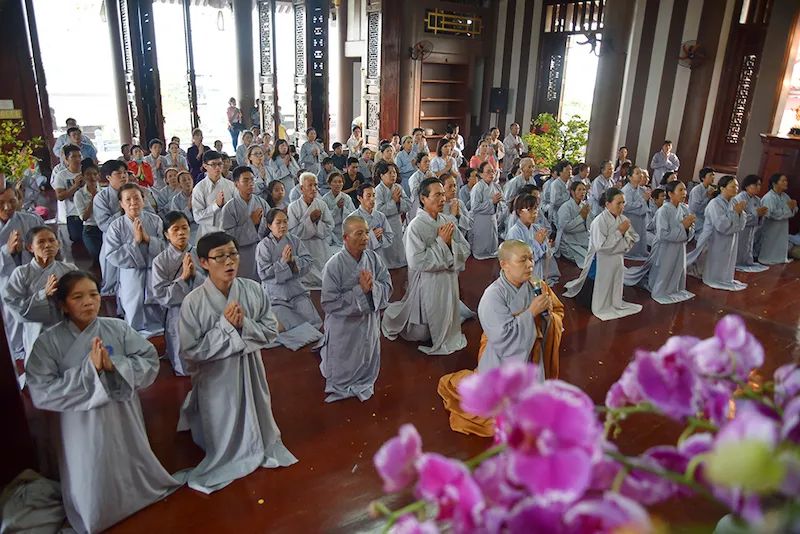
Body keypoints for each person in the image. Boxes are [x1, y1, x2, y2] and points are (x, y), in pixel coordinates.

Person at [26, 271, 182, 532]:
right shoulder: (47, 343)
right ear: (63, 305)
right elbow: (41, 390)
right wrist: (90, 373)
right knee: (89, 466)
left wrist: (115, 367)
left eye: (94, 294)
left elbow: (149, 360)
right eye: (78, 297)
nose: (89, 302)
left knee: (125, 454)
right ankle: (95, 511)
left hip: (122, 413)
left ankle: (135, 496)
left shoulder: (117, 328)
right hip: (78, 423)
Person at [177, 232, 297, 494]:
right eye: (220, 257)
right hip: (216, 378)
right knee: (223, 423)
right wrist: (226, 329)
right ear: (204, 262)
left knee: (257, 413)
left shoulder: (253, 289)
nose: (229, 261)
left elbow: (270, 330)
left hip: (251, 369)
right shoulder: (193, 302)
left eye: (233, 254)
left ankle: (257, 443)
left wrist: (245, 326)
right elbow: (191, 351)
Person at [437, 240, 563, 437]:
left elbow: (557, 311)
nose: (530, 264)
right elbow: (504, 338)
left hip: (532, 356)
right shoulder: (493, 297)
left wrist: (548, 316)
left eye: (531, 258)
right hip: (503, 359)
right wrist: (531, 313)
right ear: (504, 264)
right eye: (523, 260)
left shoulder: (537, 284)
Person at [382, 178, 471, 355]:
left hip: (448, 277)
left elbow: (465, 247)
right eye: (437, 195)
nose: (442, 199)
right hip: (427, 281)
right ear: (423, 199)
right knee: (421, 331)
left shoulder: (446, 219)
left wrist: (448, 247)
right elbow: (417, 261)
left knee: (447, 312)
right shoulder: (415, 226)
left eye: (443, 195)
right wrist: (442, 243)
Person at [318, 215, 391, 402]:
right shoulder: (333, 265)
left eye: (367, 232)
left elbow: (387, 285)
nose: (366, 238)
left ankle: (364, 376)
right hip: (344, 327)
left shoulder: (373, 258)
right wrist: (360, 291)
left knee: (366, 354)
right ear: (345, 237)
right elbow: (328, 302)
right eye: (359, 234)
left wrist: (373, 288)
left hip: (368, 322)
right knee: (344, 364)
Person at [563, 187, 643, 321]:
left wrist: (622, 242)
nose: (622, 206)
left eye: (623, 203)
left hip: (616, 259)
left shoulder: (622, 219)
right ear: (608, 204)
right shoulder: (599, 221)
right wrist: (619, 234)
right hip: (600, 260)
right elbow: (601, 247)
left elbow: (633, 238)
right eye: (619, 203)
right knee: (589, 297)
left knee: (613, 284)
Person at [3, 226, 77, 360]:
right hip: (37, 331)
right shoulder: (21, 273)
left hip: (66, 329)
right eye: (41, 242)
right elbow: (15, 305)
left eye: (51, 240)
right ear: (30, 247)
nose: (47, 245)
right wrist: (44, 295)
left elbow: (82, 298)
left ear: (58, 244)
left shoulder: (69, 269)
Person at [148, 211, 205, 377]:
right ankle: (182, 369)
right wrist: (183, 279)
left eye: (185, 228)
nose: (181, 233)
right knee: (179, 342)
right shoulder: (160, 261)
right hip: (176, 311)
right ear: (166, 234)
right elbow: (160, 293)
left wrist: (195, 276)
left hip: (200, 307)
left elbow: (211, 282)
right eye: (175, 229)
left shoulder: (198, 254)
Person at [105, 184, 166, 337]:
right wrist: (135, 243)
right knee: (133, 306)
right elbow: (112, 254)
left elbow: (166, 246)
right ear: (121, 204)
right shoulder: (116, 227)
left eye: (137, 198)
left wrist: (148, 240)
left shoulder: (155, 220)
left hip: (155, 271)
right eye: (128, 199)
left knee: (158, 306)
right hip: (131, 274)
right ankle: (134, 339)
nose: (133, 203)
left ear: (143, 201)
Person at [624, 181, 696, 304]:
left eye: (685, 190)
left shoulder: (684, 208)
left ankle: (673, 288)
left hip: (679, 246)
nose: (684, 193)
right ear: (671, 194)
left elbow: (691, 229)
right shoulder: (664, 210)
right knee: (661, 271)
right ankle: (655, 286)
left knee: (676, 268)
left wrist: (688, 228)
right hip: (664, 247)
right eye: (680, 190)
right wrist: (682, 227)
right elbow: (663, 234)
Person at [256, 208, 322, 331]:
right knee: (286, 328)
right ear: (269, 225)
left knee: (314, 323)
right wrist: (283, 262)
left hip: (296, 291)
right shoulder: (263, 245)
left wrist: (293, 261)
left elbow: (308, 260)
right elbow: (263, 273)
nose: (283, 226)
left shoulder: (294, 240)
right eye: (278, 222)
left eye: (285, 222)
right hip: (276, 295)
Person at [0, 187, 44, 361]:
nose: (7, 207)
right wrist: (7, 252)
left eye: (12, 201)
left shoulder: (31, 220)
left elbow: (48, 244)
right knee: (12, 321)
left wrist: (31, 250)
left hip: (32, 279)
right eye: (1, 203)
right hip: (4, 282)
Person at [686, 175, 748, 291]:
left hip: (729, 238)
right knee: (709, 264)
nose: (736, 189)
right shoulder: (715, 203)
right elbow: (721, 225)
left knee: (725, 259)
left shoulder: (734, 201)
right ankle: (709, 275)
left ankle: (722, 276)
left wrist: (739, 213)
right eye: (733, 186)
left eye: (737, 186)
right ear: (722, 188)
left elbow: (742, 222)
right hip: (713, 238)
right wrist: (735, 213)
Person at [219, 166, 269, 280]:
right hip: (242, 254)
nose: (250, 183)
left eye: (252, 180)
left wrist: (261, 225)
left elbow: (271, 226)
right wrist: (252, 223)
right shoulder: (229, 208)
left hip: (262, 251)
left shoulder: (262, 203)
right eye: (245, 181)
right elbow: (227, 237)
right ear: (236, 184)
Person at [287, 172, 334, 289]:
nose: (314, 189)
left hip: (320, 247)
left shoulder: (321, 204)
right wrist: (310, 220)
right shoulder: (293, 207)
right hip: (303, 248)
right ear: (301, 188)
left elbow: (330, 225)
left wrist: (317, 223)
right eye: (310, 185)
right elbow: (292, 232)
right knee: (306, 280)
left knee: (322, 278)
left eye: (316, 185)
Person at [507, 194, 560, 285]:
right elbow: (519, 259)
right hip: (521, 276)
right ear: (519, 212)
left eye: (535, 209)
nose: (534, 213)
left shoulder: (536, 228)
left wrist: (546, 244)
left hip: (537, 272)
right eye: (529, 210)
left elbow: (547, 253)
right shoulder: (514, 232)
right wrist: (537, 243)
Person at [192, 150, 237, 239]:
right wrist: (216, 205)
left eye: (220, 164)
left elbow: (238, 209)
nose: (217, 168)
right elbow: (197, 217)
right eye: (213, 164)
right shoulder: (199, 188)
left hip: (229, 232)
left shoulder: (231, 185)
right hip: (209, 234)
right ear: (205, 166)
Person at [374, 161, 410, 269]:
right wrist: (394, 202)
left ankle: (399, 261)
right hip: (384, 224)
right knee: (387, 248)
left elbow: (408, 204)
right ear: (381, 175)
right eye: (389, 173)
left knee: (398, 245)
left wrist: (399, 202)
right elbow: (378, 210)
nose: (393, 175)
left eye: (394, 172)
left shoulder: (398, 187)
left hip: (396, 222)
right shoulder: (378, 190)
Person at [758, 172, 798, 264]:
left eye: (786, 181)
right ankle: (766, 259)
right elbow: (772, 214)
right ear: (774, 183)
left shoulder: (785, 196)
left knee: (780, 242)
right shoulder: (769, 197)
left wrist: (792, 208)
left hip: (783, 226)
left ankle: (779, 258)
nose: (786, 183)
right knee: (769, 244)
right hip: (771, 227)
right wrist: (787, 208)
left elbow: (794, 209)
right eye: (783, 181)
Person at [470, 161, 506, 260]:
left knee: (492, 238)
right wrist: (491, 201)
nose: (491, 174)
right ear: (481, 174)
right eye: (488, 172)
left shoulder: (496, 186)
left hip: (493, 218)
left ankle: (492, 251)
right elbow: (475, 207)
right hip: (480, 220)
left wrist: (498, 203)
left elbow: (503, 202)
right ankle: (480, 252)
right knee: (481, 240)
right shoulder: (477, 188)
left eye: (493, 171)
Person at [733, 174, 770, 272]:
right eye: (756, 185)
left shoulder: (757, 200)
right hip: (741, 229)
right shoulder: (739, 198)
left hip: (751, 229)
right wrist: (755, 214)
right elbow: (738, 217)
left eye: (759, 185)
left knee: (748, 246)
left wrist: (761, 214)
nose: (758, 187)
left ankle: (746, 261)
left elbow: (759, 217)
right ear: (747, 186)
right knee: (739, 246)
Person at [352, 182, 393, 263]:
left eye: (374, 195)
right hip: (360, 258)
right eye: (368, 196)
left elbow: (389, 237)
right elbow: (351, 243)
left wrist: (380, 237)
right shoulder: (353, 218)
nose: (372, 199)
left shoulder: (381, 216)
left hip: (379, 256)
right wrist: (371, 236)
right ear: (359, 198)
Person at [52, 145, 85, 244]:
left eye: (79, 156)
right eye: (73, 157)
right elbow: (60, 196)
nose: (78, 159)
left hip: (90, 210)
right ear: (66, 159)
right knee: (76, 239)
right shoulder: (61, 175)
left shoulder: (87, 172)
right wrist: (75, 186)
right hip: (73, 213)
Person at [555, 180, 592, 268]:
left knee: (597, 254)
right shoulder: (565, 207)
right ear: (572, 192)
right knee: (588, 260)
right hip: (569, 241)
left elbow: (590, 224)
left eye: (584, 190)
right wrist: (581, 217)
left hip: (582, 238)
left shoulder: (584, 205)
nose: (582, 192)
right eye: (579, 190)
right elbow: (565, 228)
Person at [73, 159, 102, 263]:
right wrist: (93, 200)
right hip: (90, 230)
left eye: (95, 174)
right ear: (83, 176)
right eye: (88, 174)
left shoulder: (104, 192)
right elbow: (84, 217)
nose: (92, 177)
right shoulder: (79, 194)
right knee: (97, 256)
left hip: (104, 228)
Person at [621, 166, 651, 260]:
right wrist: (642, 200)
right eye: (637, 173)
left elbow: (646, 205)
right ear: (630, 177)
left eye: (641, 173)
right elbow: (626, 206)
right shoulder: (626, 190)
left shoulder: (642, 189)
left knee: (641, 235)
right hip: (631, 218)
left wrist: (643, 203)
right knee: (632, 237)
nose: (641, 175)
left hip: (640, 217)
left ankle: (640, 252)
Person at [322, 171, 356, 249]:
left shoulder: (346, 198)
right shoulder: (325, 199)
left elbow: (352, 215)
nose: (338, 184)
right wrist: (336, 208)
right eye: (335, 182)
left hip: (343, 229)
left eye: (340, 182)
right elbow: (324, 218)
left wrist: (344, 210)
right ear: (329, 184)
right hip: (330, 231)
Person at [441, 174, 473, 245]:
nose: (453, 189)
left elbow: (470, 224)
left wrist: (459, 216)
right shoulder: (439, 206)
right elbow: (442, 230)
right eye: (449, 187)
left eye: (455, 186)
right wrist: (452, 215)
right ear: (441, 188)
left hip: (461, 243)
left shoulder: (459, 203)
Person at [169, 170, 198, 244]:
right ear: (179, 184)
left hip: (201, 226)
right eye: (184, 180)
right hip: (186, 230)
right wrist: (188, 208)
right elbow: (175, 219)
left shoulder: (199, 194)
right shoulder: (176, 200)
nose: (187, 182)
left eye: (189, 179)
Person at [689, 167, 716, 235]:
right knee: (705, 230)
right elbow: (696, 208)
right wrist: (708, 197)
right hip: (695, 217)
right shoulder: (696, 190)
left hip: (705, 216)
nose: (713, 177)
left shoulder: (712, 189)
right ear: (703, 178)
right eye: (710, 175)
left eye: (713, 175)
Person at [408, 152, 434, 220]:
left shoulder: (432, 174)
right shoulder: (414, 177)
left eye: (429, 161)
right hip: (417, 204)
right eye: (425, 162)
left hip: (430, 202)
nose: (428, 163)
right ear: (418, 164)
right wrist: (425, 181)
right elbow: (415, 192)